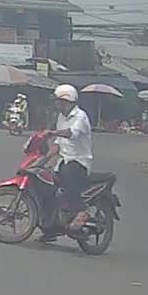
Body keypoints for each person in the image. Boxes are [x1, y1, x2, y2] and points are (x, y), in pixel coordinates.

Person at [43, 84, 93, 240]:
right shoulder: (61, 117)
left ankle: (82, 211)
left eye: (58, 101)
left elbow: (71, 133)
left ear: (66, 101)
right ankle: (51, 228)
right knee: (47, 186)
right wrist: (44, 160)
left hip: (79, 162)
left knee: (67, 176)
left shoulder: (80, 116)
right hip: (63, 161)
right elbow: (58, 144)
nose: (56, 104)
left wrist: (53, 132)